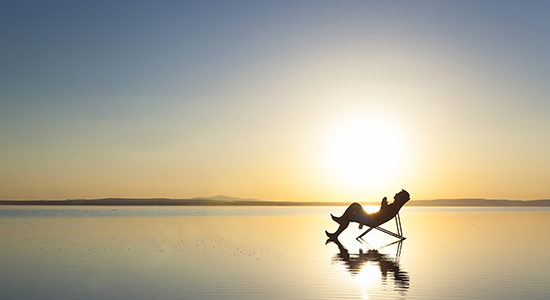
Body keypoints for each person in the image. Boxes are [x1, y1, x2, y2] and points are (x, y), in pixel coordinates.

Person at [325, 189, 410, 240]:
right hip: (371, 218)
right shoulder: (394, 207)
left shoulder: (393, 207)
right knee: (349, 215)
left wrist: (383, 205)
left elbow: (381, 215)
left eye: (398, 194)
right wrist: (383, 206)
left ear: (400, 198)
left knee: (354, 206)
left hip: (371, 220)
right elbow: (382, 214)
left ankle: (338, 227)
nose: (396, 194)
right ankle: (336, 234)